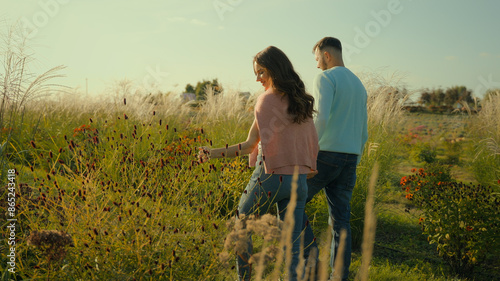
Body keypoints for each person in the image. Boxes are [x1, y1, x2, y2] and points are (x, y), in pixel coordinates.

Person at [198, 46, 319, 281]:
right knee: (293, 242)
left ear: (275, 69)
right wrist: (211, 153)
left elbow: (252, 147)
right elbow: (253, 144)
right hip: (300, 181)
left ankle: (244, 279)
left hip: (270, 178)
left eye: (261, 72)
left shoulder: (265, 101)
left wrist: (211, 154)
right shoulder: (301, 101)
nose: (257, 78)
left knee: (240, 225)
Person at [302, 37, 368, 280]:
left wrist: (309, 154)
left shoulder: (325, 78)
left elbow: (321, 118)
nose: (317, 65)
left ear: (327, 54)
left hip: (325, 156)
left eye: (317, 58)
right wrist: (355, 160)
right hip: (350, 158)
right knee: (341, 221)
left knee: (291, 204)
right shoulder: (359, 84)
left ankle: (310, 268)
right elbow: (364, 131)